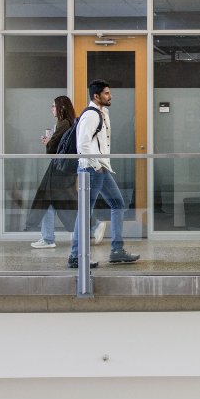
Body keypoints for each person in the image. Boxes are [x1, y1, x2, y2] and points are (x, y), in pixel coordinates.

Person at [70, 79, 139, 268]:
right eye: (107, 93)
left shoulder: (102, 113)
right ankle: (75, 256)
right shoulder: (91, 115)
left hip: (101, 168)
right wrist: (95, 164)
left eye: (109, 92)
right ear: (96, 96)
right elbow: (82, 145)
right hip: (92, 169)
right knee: (85, 212)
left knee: (118, 203)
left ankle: (117, 250)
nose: (110, 96)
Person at [26, 95, 107, 248]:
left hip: (59, 168)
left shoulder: (64, 124)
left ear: (61, 108)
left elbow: (53, 149)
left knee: (62, 202)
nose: (52, 109)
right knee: (52, 201)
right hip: (65, 167)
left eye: (53, 106)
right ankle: (48, 237)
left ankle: (93, 224)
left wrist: (48, 142)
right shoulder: (69, 122)